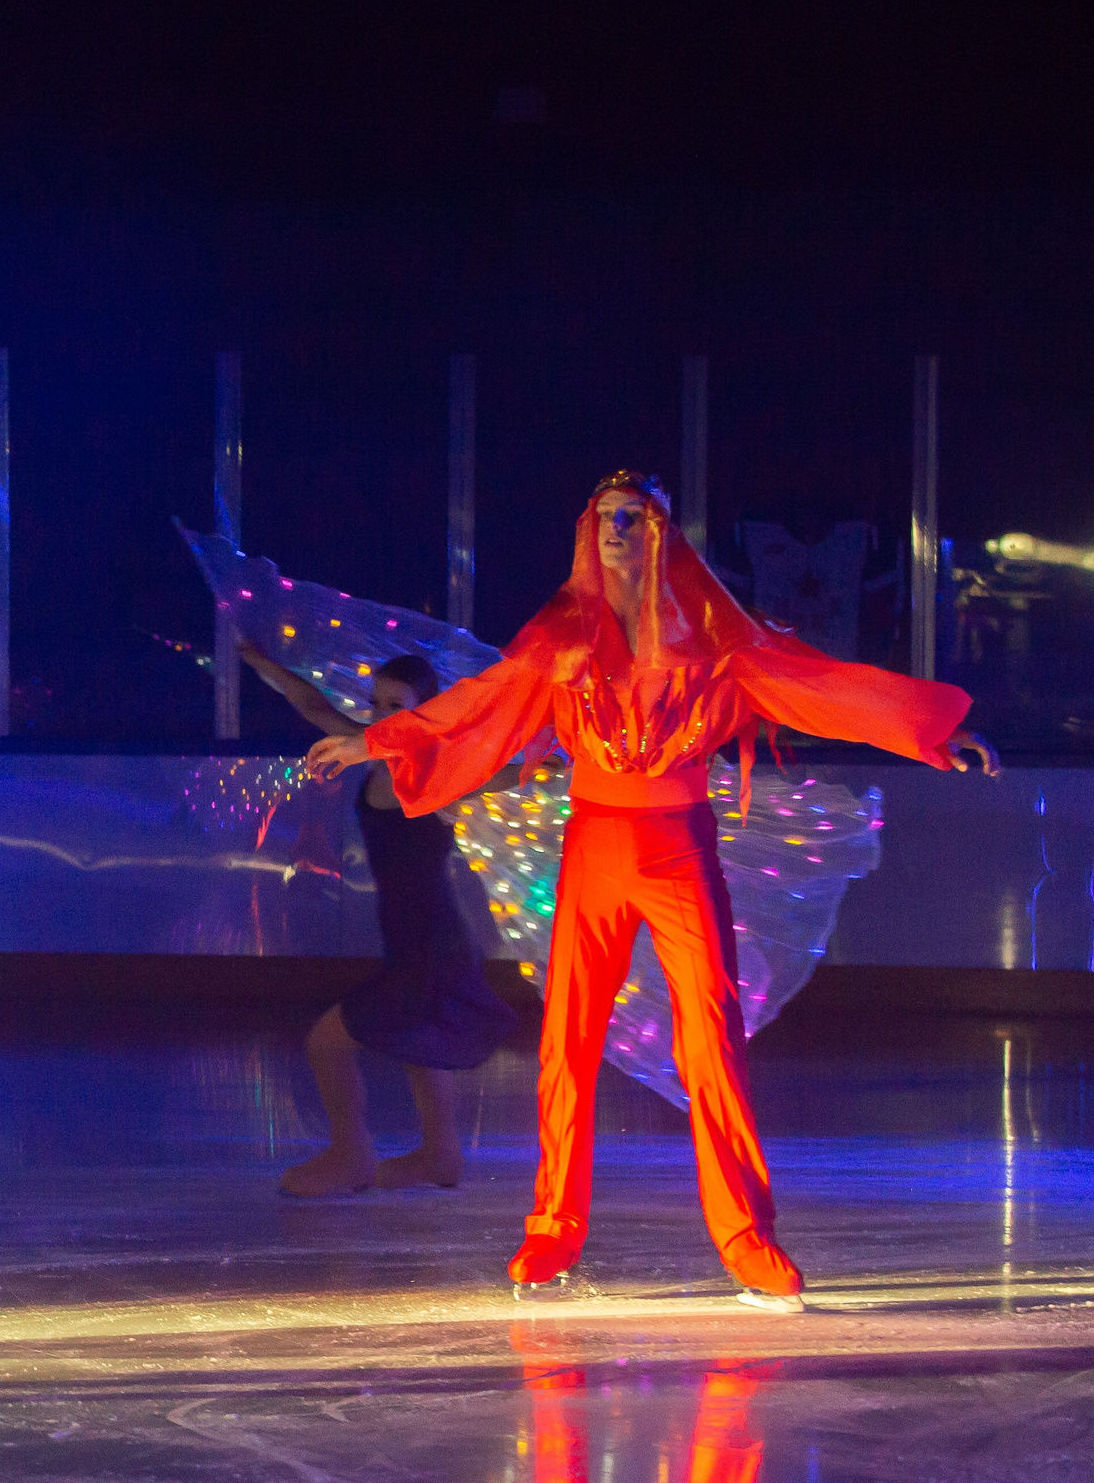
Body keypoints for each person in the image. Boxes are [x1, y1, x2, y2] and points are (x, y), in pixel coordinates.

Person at [307, 472, 998, 1309]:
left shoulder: (713, 636)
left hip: (679, 847)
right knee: (568, 1041)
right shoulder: (562, 635)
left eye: (631, 518)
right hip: (596, 845)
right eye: (603, 518)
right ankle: (552, 1229)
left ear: (661, 531)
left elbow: (816, 686)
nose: (615, 531)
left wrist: (932, 729)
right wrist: (376, 740)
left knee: (711, 1039)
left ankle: (748, 1240)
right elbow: (481, 706)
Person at [239, 642, 518, 1195]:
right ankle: (440, 1154)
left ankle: (352, 1154)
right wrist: (255, 657)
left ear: (425, 711)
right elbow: (315, 708)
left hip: (431, 947)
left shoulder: (433, 768)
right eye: (376, 704)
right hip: (419, 941)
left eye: (397, 706)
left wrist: (542, 765)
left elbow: (496, 775)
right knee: (421, 1041)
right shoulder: (374, 750)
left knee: (328, 1041)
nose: (381, 716)